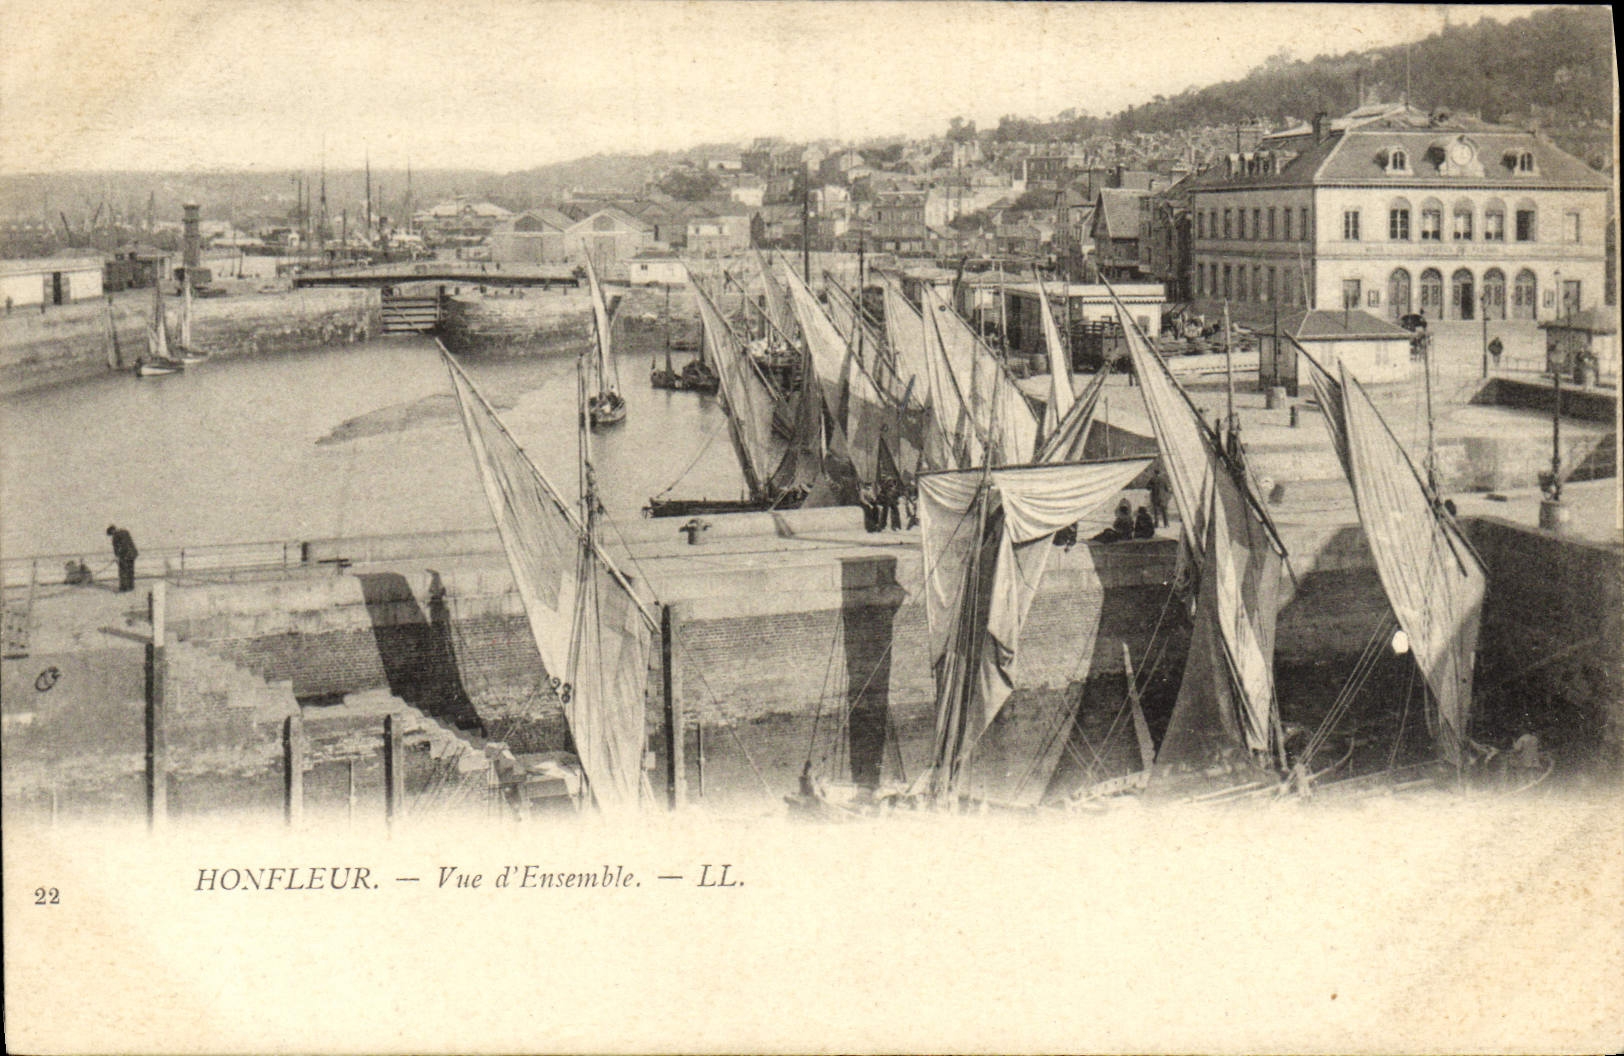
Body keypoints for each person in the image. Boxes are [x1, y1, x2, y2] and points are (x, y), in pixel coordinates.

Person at [107, 525, 138, 592]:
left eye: (111, 534)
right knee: (130, 570)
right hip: (132, 554)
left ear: (112, 531)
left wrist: (117, 557)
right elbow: (129, 544)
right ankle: (131, 586)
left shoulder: (115, 536)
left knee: (123, 571)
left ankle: (124, 587)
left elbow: (117, 549)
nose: (111, 535)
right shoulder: (125, 532)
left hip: (124, 556)